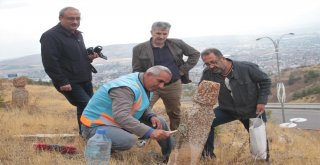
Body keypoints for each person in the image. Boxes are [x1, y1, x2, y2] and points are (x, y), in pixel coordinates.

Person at [81, 65, 174, 163]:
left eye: (165, 83)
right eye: (160, 81)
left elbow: (142, 104)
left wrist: (150, 116)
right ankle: (102, 147)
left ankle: (169, 157)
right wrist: (150, 132)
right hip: (95, 127)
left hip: (116, 124)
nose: (161, 86)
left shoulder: (145, 83)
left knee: (160, 122)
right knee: (128, 141)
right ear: (149, 74)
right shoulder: (126, 88)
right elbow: (121, 116)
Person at [199, 48, 271, 161]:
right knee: (204, 121)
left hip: (251, 109)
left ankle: (262, 161)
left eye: (213, 62)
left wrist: (262, 101)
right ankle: (207, 157)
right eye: (207, 64)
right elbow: (203, 91)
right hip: (227, 109)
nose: (211, 66)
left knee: (258, 138)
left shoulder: (247, 68)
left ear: (222, 58)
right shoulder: (208, 73)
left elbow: (265, 81)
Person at [132, 21, 200, 130]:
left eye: (165, 34)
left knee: (175, 112)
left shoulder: (177, 43)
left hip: (172, 84)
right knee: (142, 110)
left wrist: (182, 71)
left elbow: (195, 54)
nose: (161, 36)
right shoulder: (139, 49)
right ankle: (145, 134)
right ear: (151, 32)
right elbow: (136, 70)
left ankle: (174, 135)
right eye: (158, 33)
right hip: (150, 87)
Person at [40, 7, 98, 135]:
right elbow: (50, 62)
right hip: (69, 81)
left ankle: (87, 134)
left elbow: (74, 58)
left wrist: (89, 58)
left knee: (90, 107)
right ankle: (86, 136)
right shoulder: (50, 36)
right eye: (71, 18)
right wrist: (61, 81)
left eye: (78, 18)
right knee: (86, 105)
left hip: (85, 78)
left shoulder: (77, 34)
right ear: (61, 18)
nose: (75, 21)